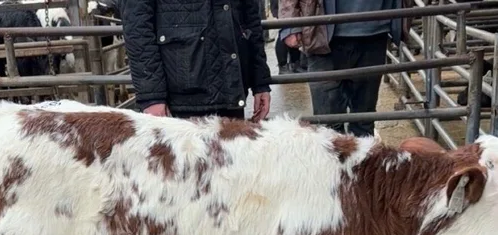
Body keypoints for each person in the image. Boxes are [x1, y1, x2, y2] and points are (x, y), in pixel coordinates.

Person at [123, 0, 272, 121]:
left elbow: (250, 18)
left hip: (230, 91)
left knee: (230, 156)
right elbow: (137, 27)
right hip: (180, 98)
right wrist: (152, 97)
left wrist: (260, 82)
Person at [278, 0, 400, 137]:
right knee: (327, 125)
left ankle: (362, 156)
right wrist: (289, 24)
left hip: (375, 31)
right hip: (321, 34)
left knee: (364, 120)